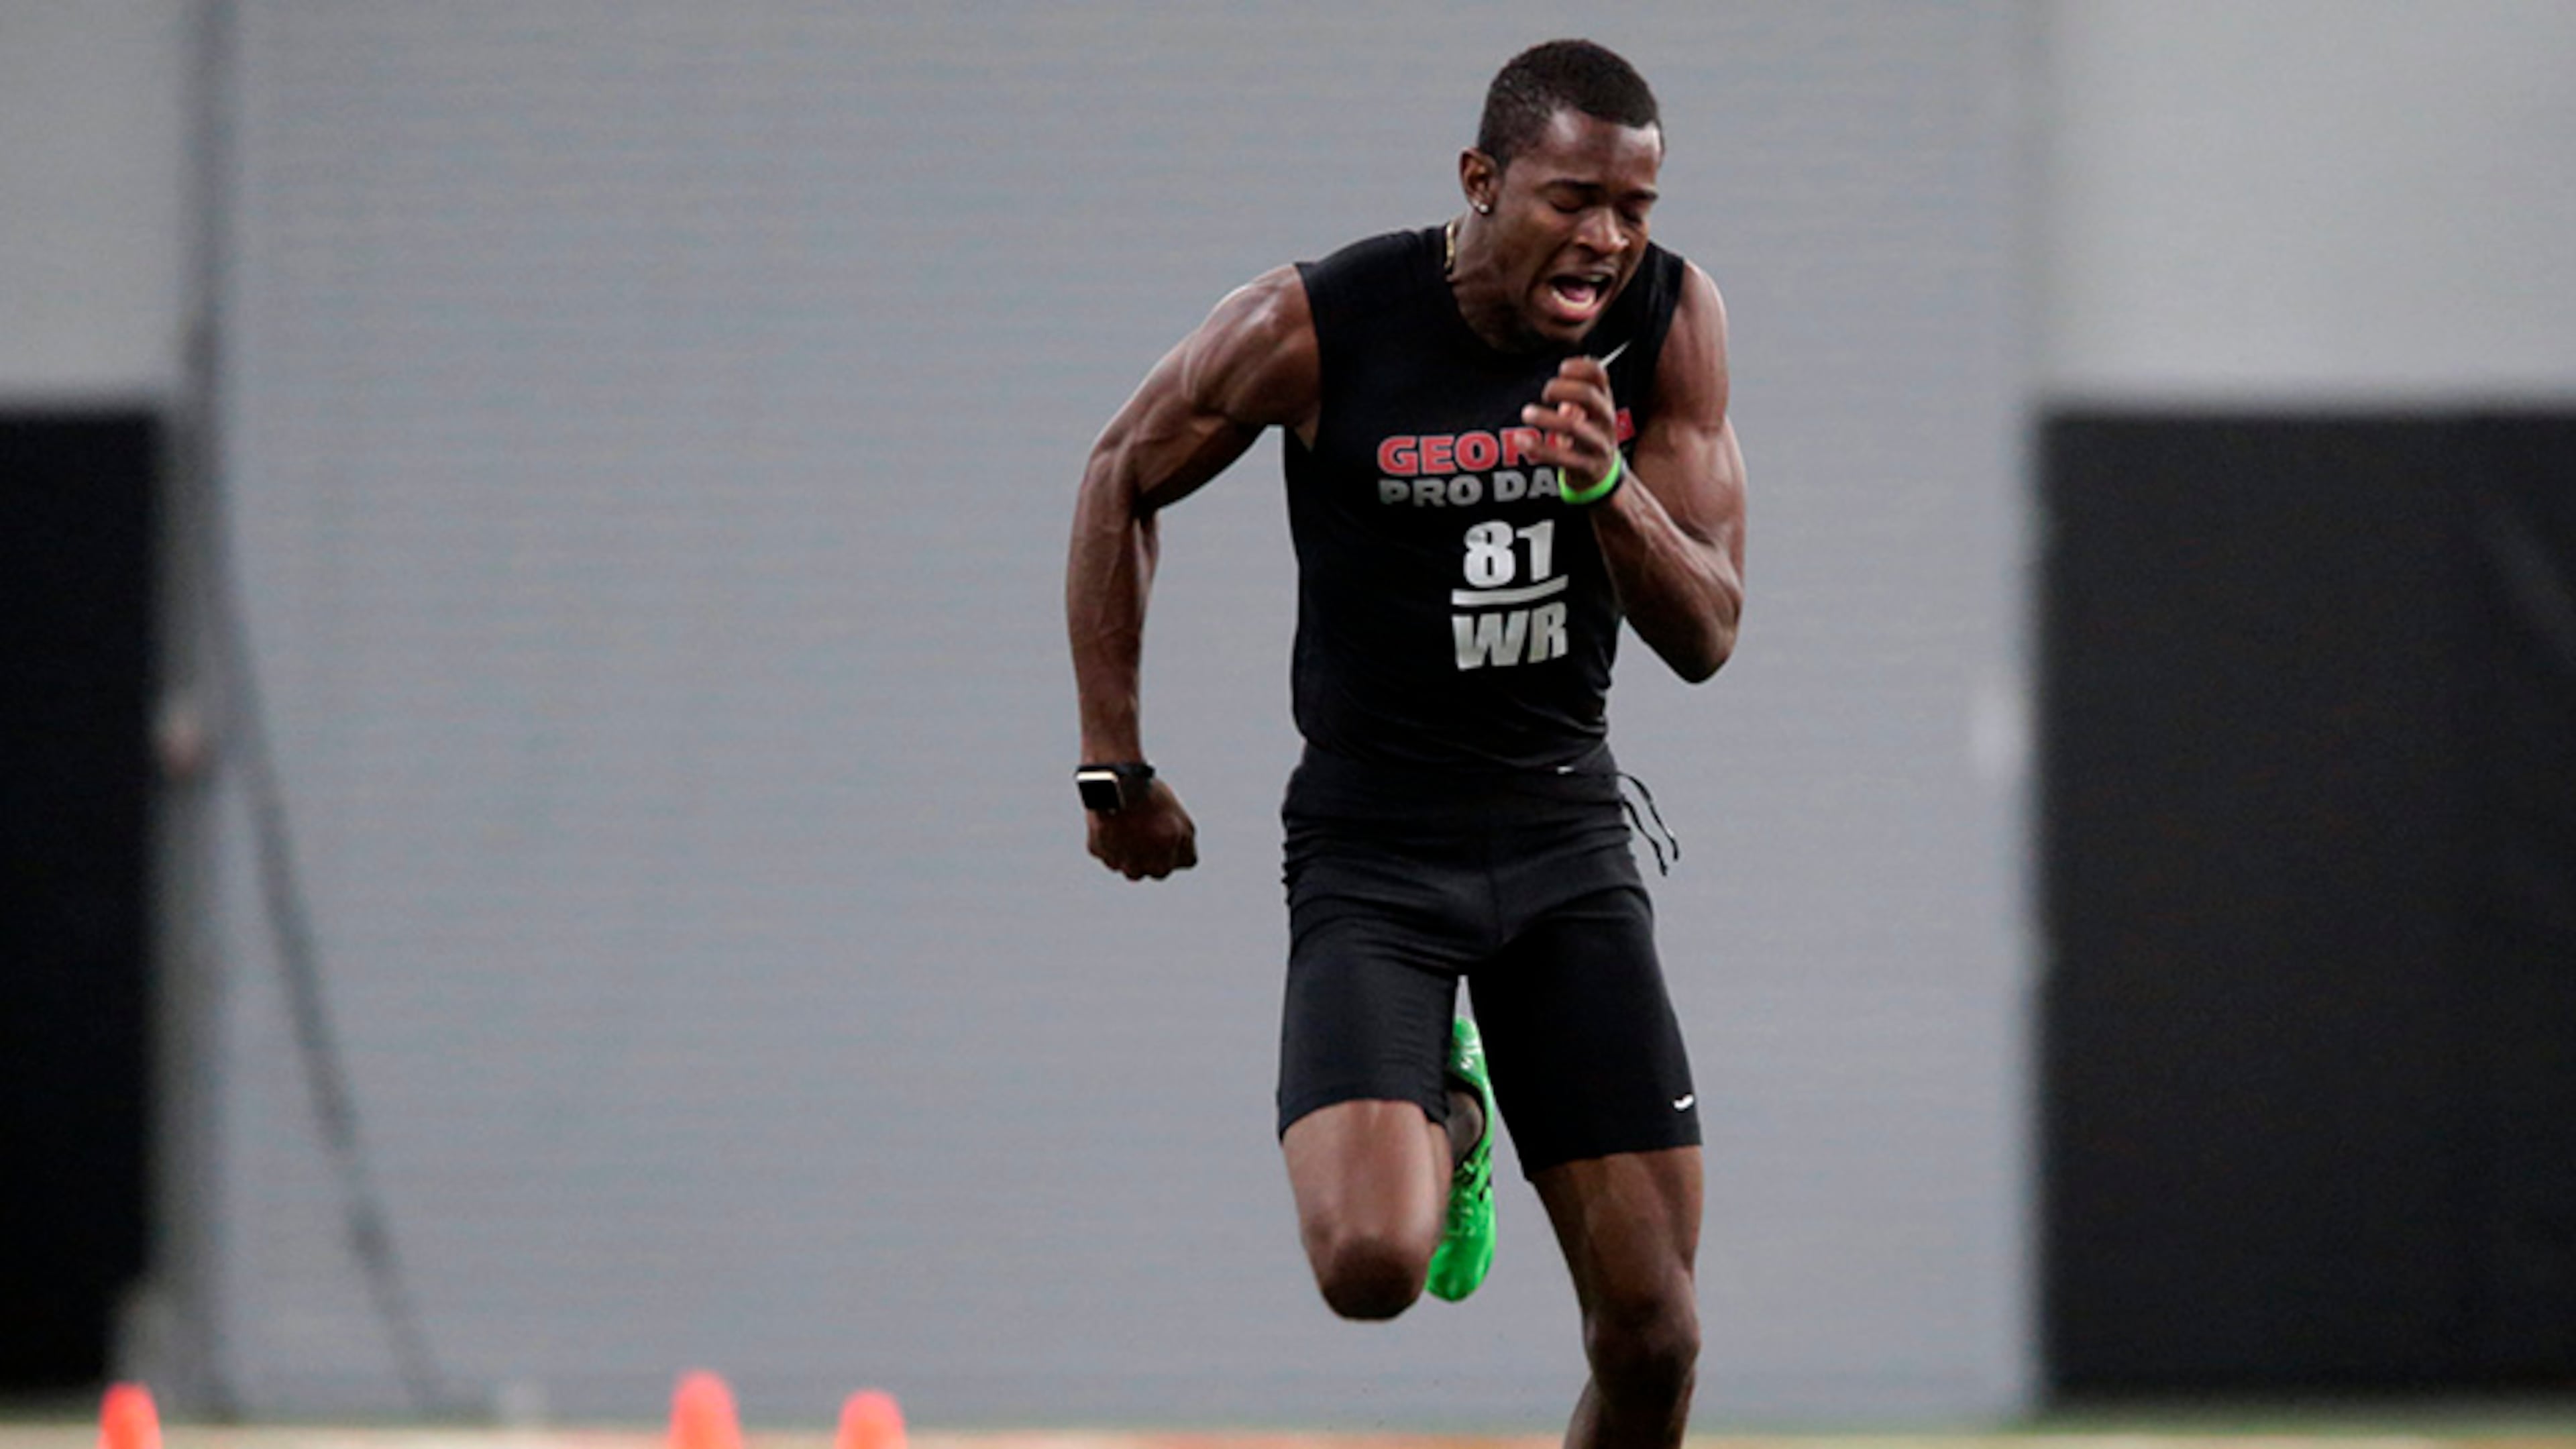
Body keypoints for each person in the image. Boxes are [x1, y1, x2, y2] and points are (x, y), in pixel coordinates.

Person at [1064, 38, 1746, 1449]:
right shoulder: (1321, 321)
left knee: (1656, 1337)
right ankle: (1458, 1113)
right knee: (1372, 1267)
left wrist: (1604, 486)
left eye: (1636, 207)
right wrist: (1112, 765)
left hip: (1564, 839)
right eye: (1573, 199)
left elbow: (1710, 633)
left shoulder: (1671, 327)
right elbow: (1120, 472)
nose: (1608, 239)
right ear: (1482, 182)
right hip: (1376, 849)